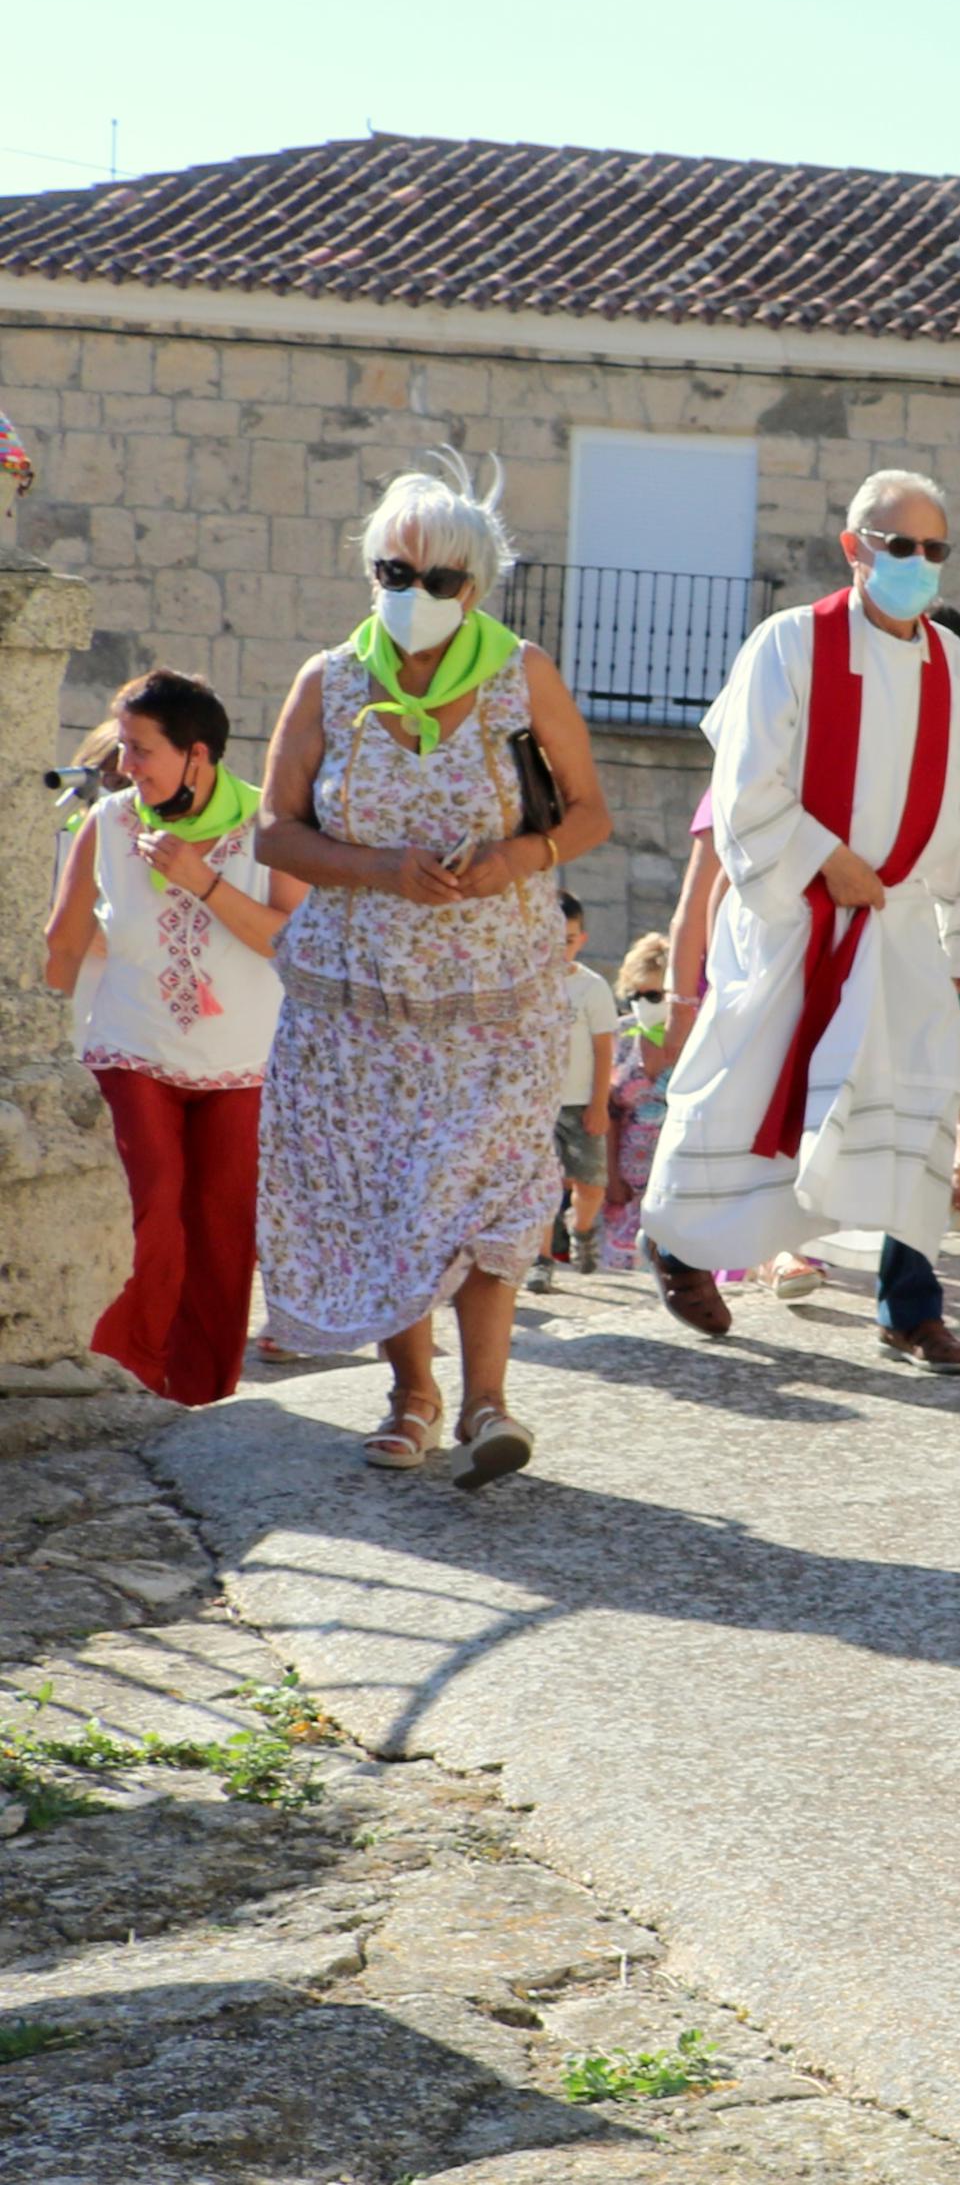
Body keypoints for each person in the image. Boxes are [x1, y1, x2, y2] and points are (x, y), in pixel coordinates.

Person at [255, 458, 611, 1487]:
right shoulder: (328, 679)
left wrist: (516, 857)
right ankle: (413, 1393)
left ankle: (489, 1398)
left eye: (437, 577)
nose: (411, 592)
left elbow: (589, 809)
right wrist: (374, 869)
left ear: (478, 583)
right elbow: (275, 830)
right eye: (392, 569)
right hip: (356, 1001)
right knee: (387, 1199)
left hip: (497, 994)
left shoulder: (521, 673)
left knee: (485, 1189)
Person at [640, 468, 960, 1371]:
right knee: (744, 1093)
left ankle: (909, 1305)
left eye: (933, 548)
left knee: (913, 1104)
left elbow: (957, 808)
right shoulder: (787, 644)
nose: (918, 563)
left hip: (903, 925)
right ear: (855, 547)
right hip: (797, 919)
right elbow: (745, 789)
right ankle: (680, 1245)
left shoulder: (950, 661)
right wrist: (830, 862)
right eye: (899, 545)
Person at [40, 669, 307, 1406]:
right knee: (151, 1211)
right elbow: (63, 944)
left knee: (223, 1238)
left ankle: (199, 1399)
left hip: (243, 1064)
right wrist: (39, 1056)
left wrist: (202, 881)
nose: (124, 766)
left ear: (197, 754)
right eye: (123, 747)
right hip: (131, 1051)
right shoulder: (109, 822)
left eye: (139, 749)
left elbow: (290, 941)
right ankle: (128, 1383)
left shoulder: (272, 828)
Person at [531, 893, 619, 1291]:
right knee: (540, 1185)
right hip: (534, 1106)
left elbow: (604, 1048)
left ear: (580, 940)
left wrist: (599, 1103)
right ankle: (541, 1260)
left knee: (590, 1182)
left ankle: (582, 1228)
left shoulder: (591, 988)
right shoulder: (524, 983)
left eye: (565, 941)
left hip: (581, 1101)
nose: (556, 949)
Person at [600, 932, 676, 1273]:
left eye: (655, 994)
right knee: (626, 1272)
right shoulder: (619, 1035)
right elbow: (608, 1112)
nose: (645, 1003)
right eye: (636, 994)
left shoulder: (696, 1036)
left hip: (681, 1182)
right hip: (629, 1188)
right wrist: (611, 1177)